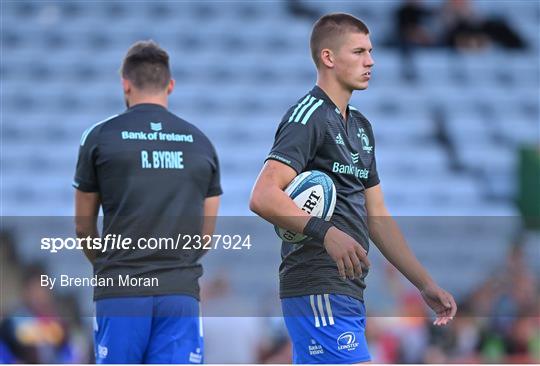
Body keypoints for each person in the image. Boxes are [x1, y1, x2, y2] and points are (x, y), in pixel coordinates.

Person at [250, 13, 457, 364]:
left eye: (371, 51)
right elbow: (263, 194)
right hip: (317, 284)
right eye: (359, 51)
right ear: (329, 58)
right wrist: (325, 232)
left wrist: (423, 283)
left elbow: (376, 217)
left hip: (348, 289)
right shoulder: (308, 116)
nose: (371, 60)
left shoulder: (360, 126)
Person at [73, 40, 222, 363]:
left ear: (125, 84)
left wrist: (109, 266)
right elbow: (206, 235)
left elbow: (83, 225)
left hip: (121, 289)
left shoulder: (100, 137)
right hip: (179, 292)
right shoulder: (201, 143)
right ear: (170, 85)